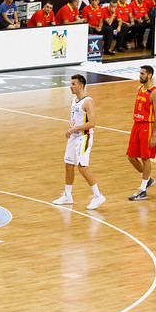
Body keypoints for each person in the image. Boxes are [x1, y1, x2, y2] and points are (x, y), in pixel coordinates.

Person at [52, 75, 106, 210]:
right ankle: (67, 195)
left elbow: (92, 123)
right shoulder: (74, 100)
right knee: (69, 165)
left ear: (80, 86)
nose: (70, 86)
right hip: (74, 136)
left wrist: (74, 128)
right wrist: (71, 130)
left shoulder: (87, 102)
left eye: (73, 84)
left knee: (82, 167)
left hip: (84, 137)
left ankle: (98, 195)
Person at [127, 65, 156, 201]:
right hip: (137, 125)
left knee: (145, 158)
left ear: (150, 75)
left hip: (148, 127)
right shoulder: (140, 89)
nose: (140, 76)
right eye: (139, 73)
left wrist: (155, 134)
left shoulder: (155, 92)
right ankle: (147, 179)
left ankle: (142, 190)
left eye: (142, 74)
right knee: (131, 156)